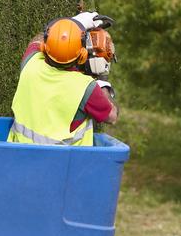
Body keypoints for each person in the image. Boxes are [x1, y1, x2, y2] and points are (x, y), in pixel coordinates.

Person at [8, 11, 118, 147]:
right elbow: (111, 116)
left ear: (45, 47)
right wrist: (103, 81)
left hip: (19, 158)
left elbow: (37, 40)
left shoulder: (31, 62)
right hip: (64, 165)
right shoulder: (86, 88)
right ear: (82, 55)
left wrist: (73, 24)